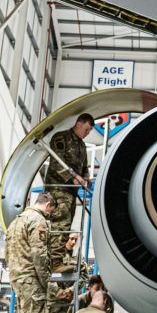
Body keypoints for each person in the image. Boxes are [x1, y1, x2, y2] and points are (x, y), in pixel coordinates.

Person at [6, 193, 71, 313]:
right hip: (31, 280)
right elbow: (40, 256)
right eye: (52, 209)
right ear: (49, 205)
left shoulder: (16, 221)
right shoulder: (39, 220)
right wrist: (48, 284)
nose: (52, 214)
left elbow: (7, 253)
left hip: (18, 277)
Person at [45, 114, 94, 268]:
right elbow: (56, 162)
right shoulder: (61, 138)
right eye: (86, 129)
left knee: (66, 227)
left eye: (89, 131)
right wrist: (72, 179)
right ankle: (54, 261)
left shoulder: (82, 146)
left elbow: (84, 167)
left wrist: (86, 178)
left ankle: (59, 259)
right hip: (58, 190)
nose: (87, 133)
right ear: (78, 124)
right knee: (59, 225)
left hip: (71, 192)